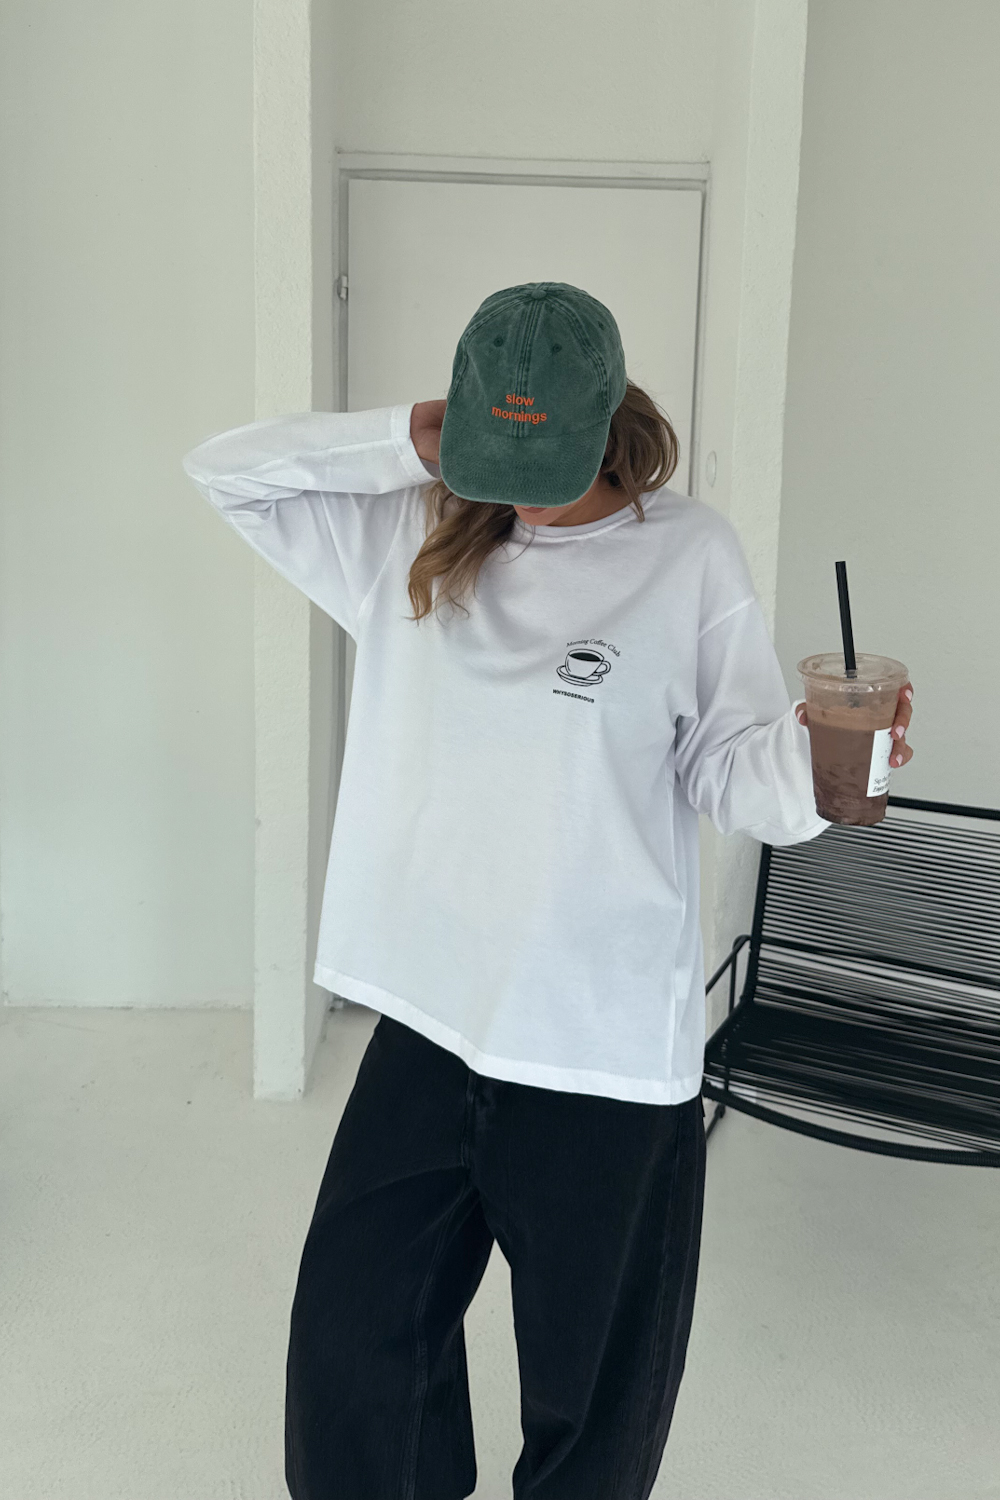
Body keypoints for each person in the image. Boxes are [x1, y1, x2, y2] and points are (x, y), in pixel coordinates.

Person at [181, 282, 913, 1500]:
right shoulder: (415, 528)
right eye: (496, 455)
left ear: (608, 424)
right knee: (354, 1359)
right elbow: (226, 473)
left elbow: (732, 773)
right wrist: (407, 438)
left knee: (591, 1413)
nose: (518, 491)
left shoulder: (687, 557)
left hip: (598, 1050)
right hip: (430, 1020)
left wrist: (833, 759)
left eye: (544, 460)